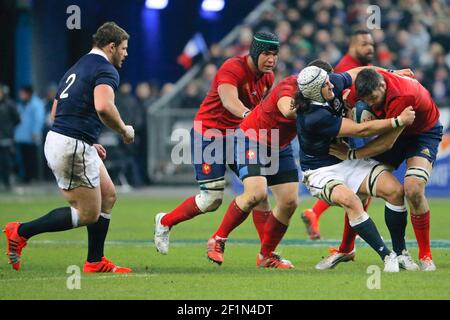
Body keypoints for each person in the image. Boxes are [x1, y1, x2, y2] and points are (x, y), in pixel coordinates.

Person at [3, 22, 135, 273]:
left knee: (108, 195)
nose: (126, 54)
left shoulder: (78, 66)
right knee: (87, 214)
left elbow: (56, 113)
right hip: (71, 145)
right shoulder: (106, 69)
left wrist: (88, 139)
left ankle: (95, 261)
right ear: (112, 46)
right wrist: (124, 130)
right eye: (124, 48)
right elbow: (104, 107)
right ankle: (20, 231)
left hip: (67, 139)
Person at [154, 31, 280, 255]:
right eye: (267, 54)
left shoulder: (268, 77)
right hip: (210, 135)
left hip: (238, 136)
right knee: (211, 199)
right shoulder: (232, 68)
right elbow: (229, 100)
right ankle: (165, 221)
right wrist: (249, 117)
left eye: (275, 54)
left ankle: (267, 254)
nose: (271, 59)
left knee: (258, 192)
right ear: (255, 52)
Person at [296, 66, 416, 272]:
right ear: (316, 92)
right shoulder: (313, 117)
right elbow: (361, 130)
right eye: (326, 84)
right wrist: (398, 121)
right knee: (351, 201)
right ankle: (387, 256)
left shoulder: (329, 83)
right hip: (320, 171)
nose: (331, 84)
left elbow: (360, 71)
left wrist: (390, 72)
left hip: (346, 160)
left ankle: (401, 253)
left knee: (396, 191)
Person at [329, 68, 442, 271]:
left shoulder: (403, 95)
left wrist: (351, 154)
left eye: (373, 98)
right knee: (361, 183)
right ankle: (346, 248)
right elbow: (350, 101)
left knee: (413, 189)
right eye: (367, 100)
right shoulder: (363, 87)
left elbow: (387, 142)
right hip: (396, 128)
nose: (371, 104)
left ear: (382, 85)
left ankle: (425, 255)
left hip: (421, 133)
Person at [206, 74, 300, 268]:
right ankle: (218, 238)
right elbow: (287, 110)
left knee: (289, 202)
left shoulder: (332, 92)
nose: (330, 88)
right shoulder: (290, 87)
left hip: (280, 145)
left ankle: (266, 256)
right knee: (256, 194)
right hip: (253, 137)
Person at [302, 29, 375, 240]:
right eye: (363, 44)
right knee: (358, 185)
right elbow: (339, 105)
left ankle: (315, 213)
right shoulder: (345, 68)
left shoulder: (364, 67)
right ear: (352, 45)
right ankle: (352, 236)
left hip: (352, 127)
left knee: (356, 188)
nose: (369, 48)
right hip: (348, 131)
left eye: (371, 44)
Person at [14, 85, 45, 183]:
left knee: (32, 158)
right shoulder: (22, 104)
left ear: (28, 93)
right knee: (24, 158)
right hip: (22, 136)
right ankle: (26, 177)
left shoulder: (37, 104)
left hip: (31, 137)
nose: (20, 95)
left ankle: (33, 177)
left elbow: (39, 119)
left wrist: (35, 131)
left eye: (22, 93)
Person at [0, 84, 20, 190]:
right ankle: (3, 182)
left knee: (7, 161)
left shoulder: (10, 105)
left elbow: (17, 119)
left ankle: (8, 182)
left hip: (6, 137)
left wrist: (9, 128)